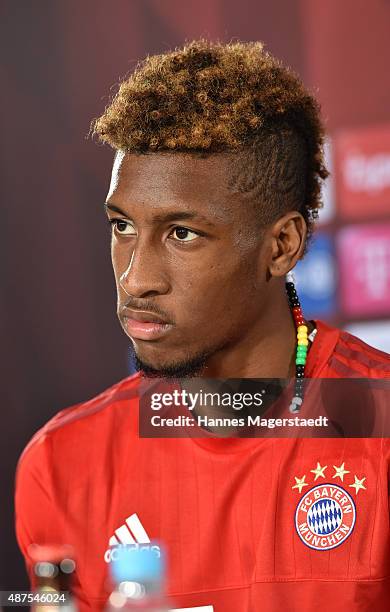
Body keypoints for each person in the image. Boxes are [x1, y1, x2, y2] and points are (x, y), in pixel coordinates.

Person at [15, 40, 390, 611]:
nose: (136, 279)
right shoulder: (63, 464)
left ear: (281, 245)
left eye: (182, 233)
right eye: (122, 226)